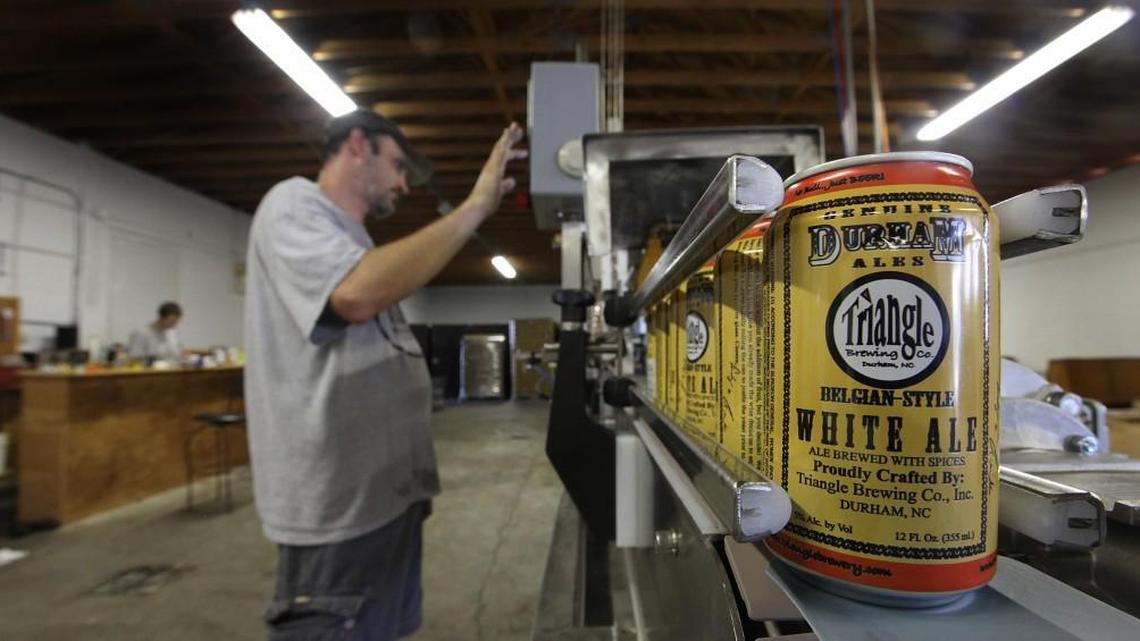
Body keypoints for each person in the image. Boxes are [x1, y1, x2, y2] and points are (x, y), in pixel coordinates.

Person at [244, 109, 525, 641]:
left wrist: (413, 483)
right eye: (396, 164)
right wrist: (475, 209)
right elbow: (354, 297)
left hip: (384, 501)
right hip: (336, 513)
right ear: (357, 145)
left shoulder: (355, 245)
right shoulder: (293, 202)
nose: (402, 183)